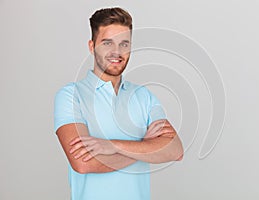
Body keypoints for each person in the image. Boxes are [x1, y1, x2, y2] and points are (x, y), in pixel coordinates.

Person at [54, 7, 183, 200]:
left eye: (124, 44)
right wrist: (144, 146)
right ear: (92, 46)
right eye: (107, 43)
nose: (117, 52)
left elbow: (175, 150)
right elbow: (83, 163)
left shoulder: (143, 96)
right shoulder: (71, 95)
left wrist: (112, 146)